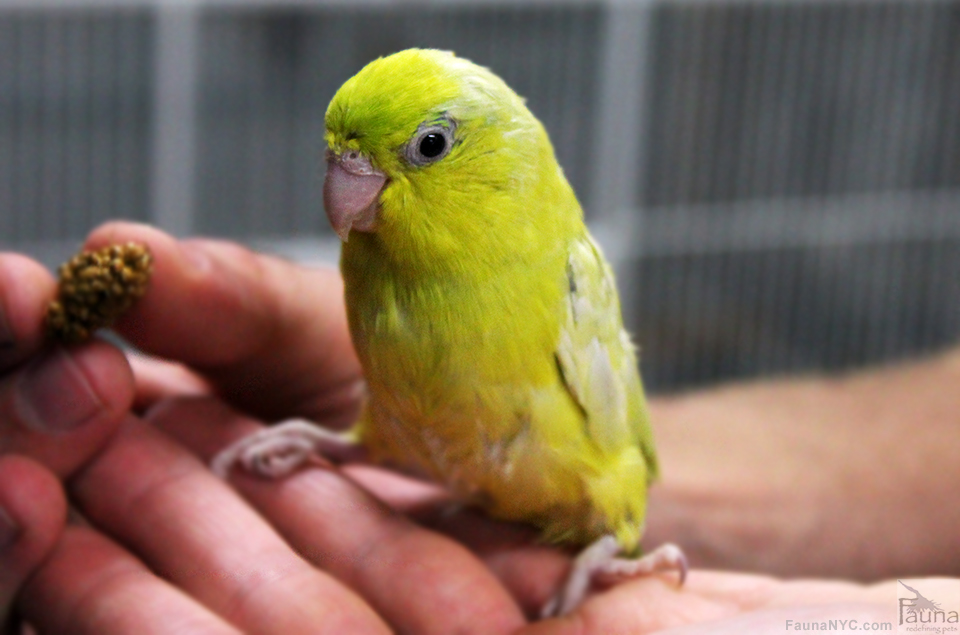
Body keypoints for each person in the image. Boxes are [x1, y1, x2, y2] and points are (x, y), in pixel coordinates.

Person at [1, 220, 954, 633]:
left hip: (585, 488)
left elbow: (619, 440)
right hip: (403, 451)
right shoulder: (377, 270)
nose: (352, 192)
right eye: (346, 158)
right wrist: (341, 436)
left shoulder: (556, 272)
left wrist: (619, 539)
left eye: (417, 152)